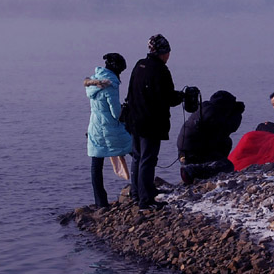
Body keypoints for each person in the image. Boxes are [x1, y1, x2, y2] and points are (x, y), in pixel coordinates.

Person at [125, 34, 184, 209]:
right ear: (163, 52)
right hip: (149, 122)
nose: (169, 56)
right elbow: (167, 98)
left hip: (134, 120)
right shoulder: (160, 70)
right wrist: (181, 96)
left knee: (137, 157)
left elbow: (131, 93)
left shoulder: (139, 65)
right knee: (147, 159)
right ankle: (146, 200)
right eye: (168, 52)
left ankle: (137, 193)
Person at [85, 53, 133, 208]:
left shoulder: (94, 82)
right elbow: (116, 113)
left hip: (95, 127)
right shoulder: (110, 84)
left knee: (96, 164)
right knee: (135, 150)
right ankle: (141, 189)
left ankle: (100, 202)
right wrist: (128, 111)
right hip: (110, 128)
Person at [177, 90, 245, 183]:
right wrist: (237, 114)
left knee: (225, 141)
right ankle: (192, 171)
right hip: (193, 154)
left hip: (185, 153)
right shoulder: (213, 114)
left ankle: (194, 171)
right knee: (227, 165)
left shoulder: (205, 107)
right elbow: (229, 128)